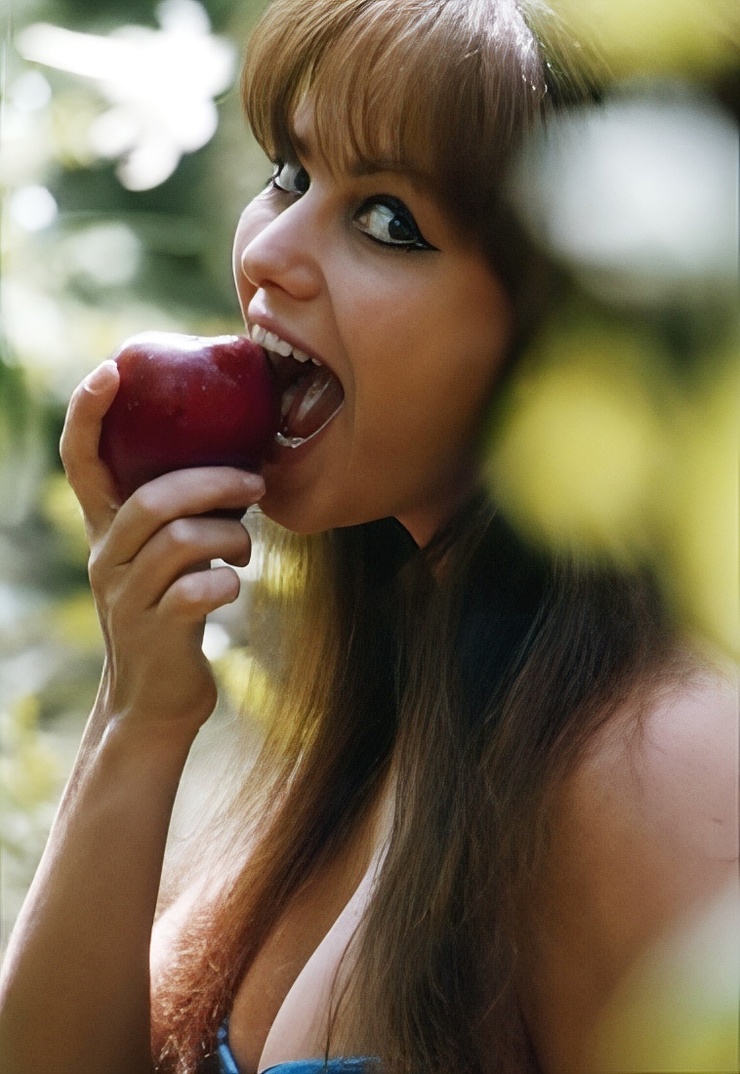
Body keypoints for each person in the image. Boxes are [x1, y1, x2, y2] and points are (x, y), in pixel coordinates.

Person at [0, 1, 737, 1072]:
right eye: (290, 174)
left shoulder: (649, 765)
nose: (269, 257)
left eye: (389, 220)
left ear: (570, 331)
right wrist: (139, 714)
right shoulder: (402, 696)